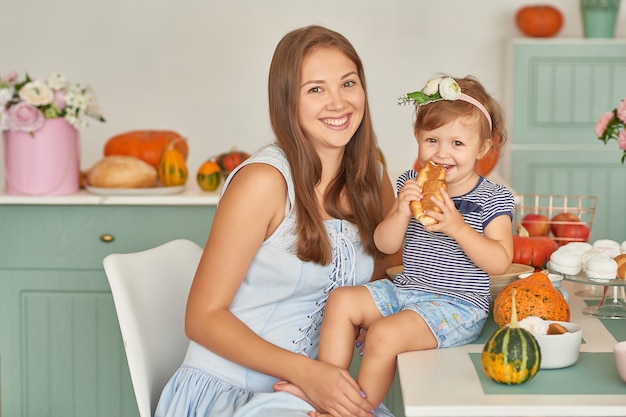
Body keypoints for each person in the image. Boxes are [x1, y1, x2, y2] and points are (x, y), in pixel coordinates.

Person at [154, 25, 400, 417]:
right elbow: (202, 319)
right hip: (232, 393)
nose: (338, 103)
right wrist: (310, 374)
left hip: (312, 392)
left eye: (348, 83)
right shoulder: (264, 182)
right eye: (315, 89)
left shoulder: (374, 178)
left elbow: (393, 272)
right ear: (288, 101)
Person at [305, 75, 515, 413]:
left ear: (483, 147)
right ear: (418, 137)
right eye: (432, 140)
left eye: (457, 144)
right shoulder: (411, 183)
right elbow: (384, 243)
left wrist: (458, 228)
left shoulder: (491, 198)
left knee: (384, 335)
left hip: (456, 306)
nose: (442, 153)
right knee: (342, 300)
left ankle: (357, 410)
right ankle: (329, 387)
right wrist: (402, 212)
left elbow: (500, 261)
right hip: (406, 291)